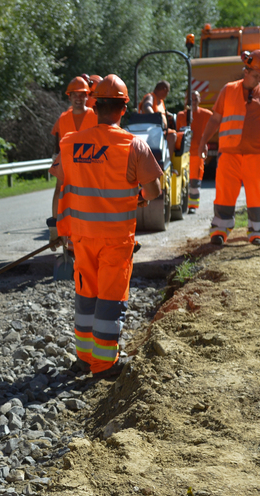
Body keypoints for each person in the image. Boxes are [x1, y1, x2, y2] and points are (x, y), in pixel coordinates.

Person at [49, 75, 163, 380]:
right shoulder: (133, 145)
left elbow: (61, 184)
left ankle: (84, 359)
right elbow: (154, 192)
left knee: (86, 297)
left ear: (94, 105)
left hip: (82, 238)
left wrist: (57, 228)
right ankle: (103, 365)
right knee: (111, 301)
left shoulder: (70, 144)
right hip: (115, 240)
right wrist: (136, 197)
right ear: (123, 109)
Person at [197, 50, 260, 246]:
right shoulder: (229, 90)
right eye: (256, 74)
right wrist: (203, 142)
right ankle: (219, 231)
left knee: (257, 196)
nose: (259, 78)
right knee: (224, 193)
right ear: (246, 71)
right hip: (229, 154)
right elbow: (215, 118)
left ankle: (258, 233)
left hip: (257, 155)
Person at [175, 90, 214, 214]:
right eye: (191, 99)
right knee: (182, 180)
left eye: (196, 99)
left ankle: (193, 206)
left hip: (197, 152)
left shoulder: (206, 114)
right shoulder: (181, 116)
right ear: (186, 101)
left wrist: (206, 141)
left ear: (199, 100)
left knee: (195, 180)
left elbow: (216, 124)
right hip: (183, 153)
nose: (193, 102)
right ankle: (181, 204)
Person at [52, 76, 98, 149]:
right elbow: (58, 147)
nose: (78, 98)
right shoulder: (62, 119)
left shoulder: (96, 117)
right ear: (69, 97)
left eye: (81, 95)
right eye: (75, 95)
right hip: (67, 160)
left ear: (86, 96)